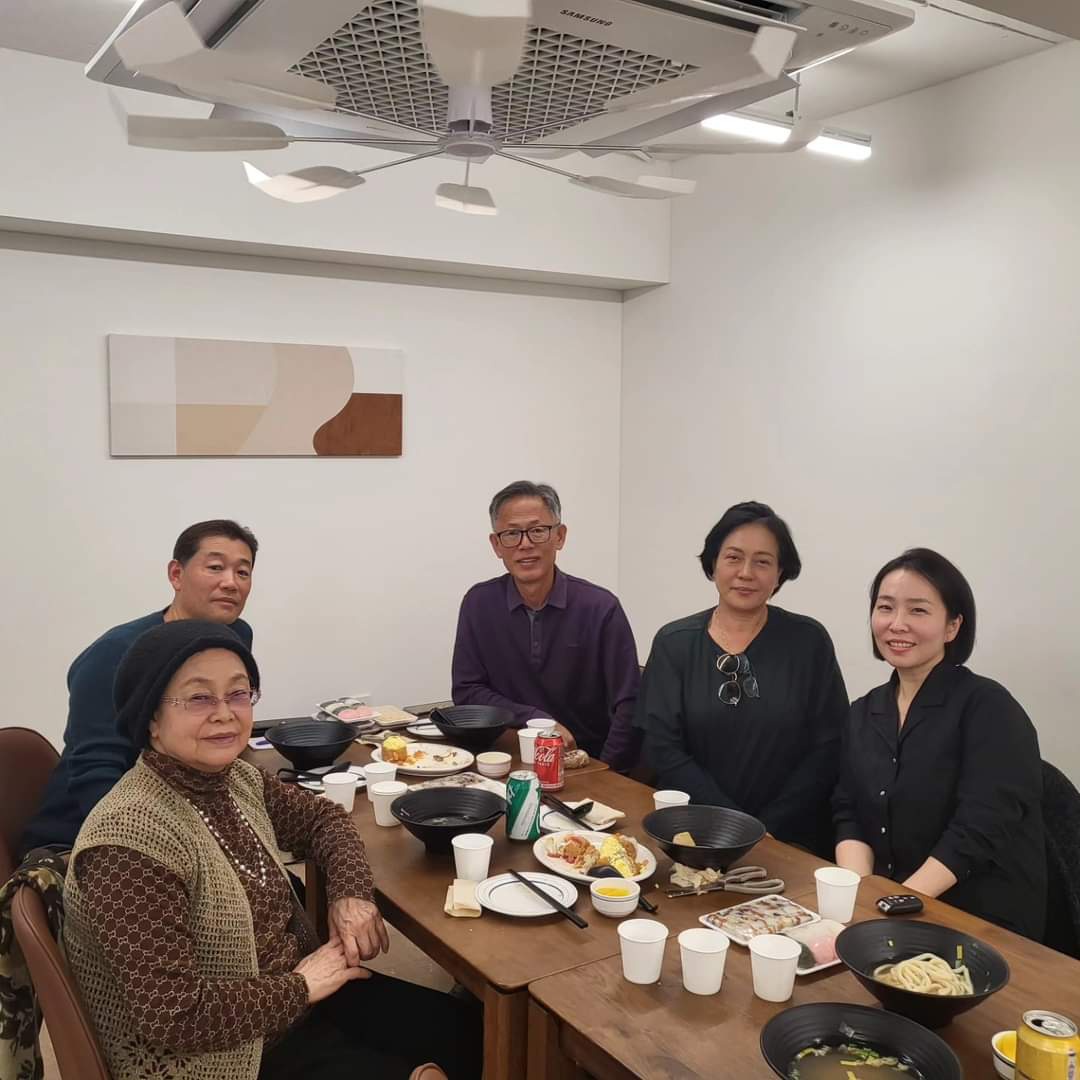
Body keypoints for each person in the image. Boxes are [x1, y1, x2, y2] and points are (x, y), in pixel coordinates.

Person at [62, 619, 480, 1080]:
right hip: (222, 1055)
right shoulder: (127, 842)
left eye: (238, 693)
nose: (225, 713)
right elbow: (175, 1016)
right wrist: (301, 986)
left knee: (473, 1035)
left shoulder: (235, 779)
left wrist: (350, 894)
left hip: (298, 998)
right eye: (199, 698)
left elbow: (324, 820)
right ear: (151, 720)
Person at [833, 548, 1046, 939]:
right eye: (885, 607)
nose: (897, 624)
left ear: (952, 626)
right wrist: (860, 894)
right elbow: (848, 810)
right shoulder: (862, 712)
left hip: (978, 917)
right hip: (888, 909)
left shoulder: (988, 706)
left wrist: (894, 902)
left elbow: (981, 826)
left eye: (918, 610)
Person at [21, 519, 258, 854]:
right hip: (84, 839)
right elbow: (95, 773)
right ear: (176, 574)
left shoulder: (235, 636)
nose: (230, 583)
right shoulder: (115, 654)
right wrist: (169, 843)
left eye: (243, 572)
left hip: (182, 814)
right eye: (215, 567)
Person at [635, 501, 848, 855]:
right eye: (733, 557)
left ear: (780, 573)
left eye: (762, 562)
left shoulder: (809, 641)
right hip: (695, 833)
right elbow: (663, 749)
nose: (746, 573)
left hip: (790, 837)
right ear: (713, 564)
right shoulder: (674, 642)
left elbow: (829, 746)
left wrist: (769, 827)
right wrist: (734, 824)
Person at [451, 481, 641, 772]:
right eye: (511, 533)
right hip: (506, 758)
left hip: (585, 760)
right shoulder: (479, 603)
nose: (525, 544)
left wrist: (605, 770)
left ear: (559, 536)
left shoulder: (600, 607)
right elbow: (467, 691)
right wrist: (535, 719)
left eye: (537, 530)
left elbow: (630, 704)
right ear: (496, 545)